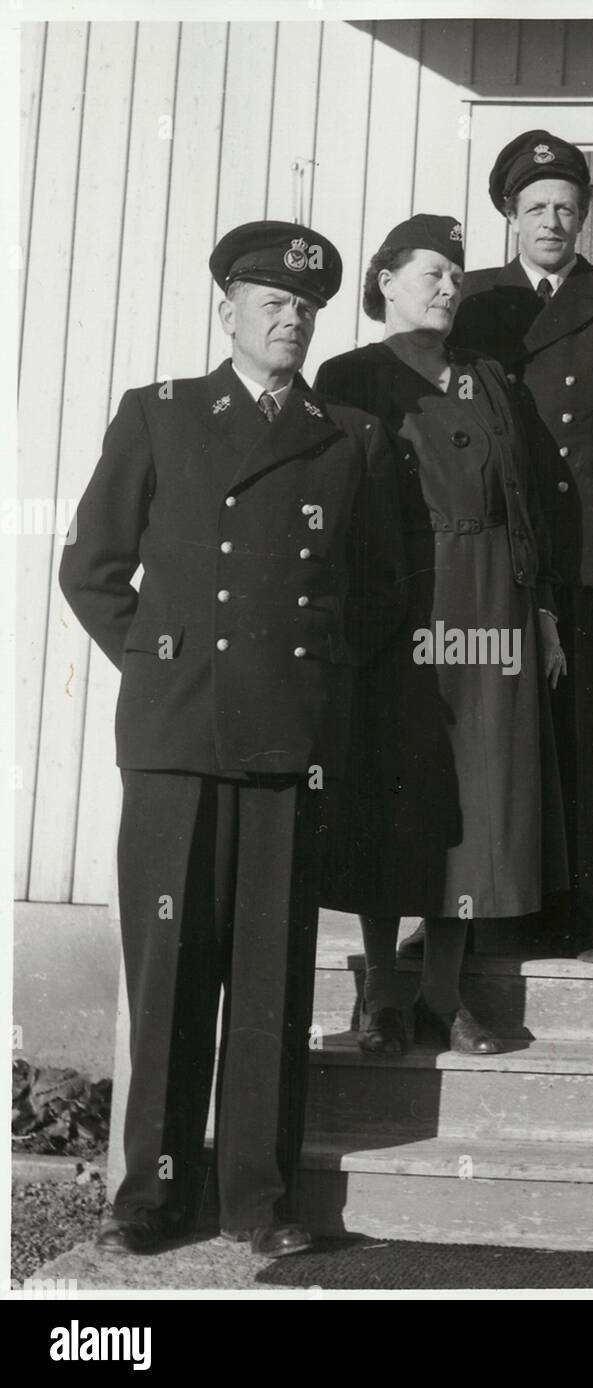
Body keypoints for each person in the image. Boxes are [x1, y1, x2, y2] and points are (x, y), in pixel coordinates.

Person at [59, 221, 406, 1257]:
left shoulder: (345, 435)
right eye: (269, 301)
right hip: (172, 740)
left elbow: (376, 595)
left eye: (304, 305)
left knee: (270, 976)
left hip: (282, 745)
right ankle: (154, 1198)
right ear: (228, 309)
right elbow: (92, 567)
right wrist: (169, 664)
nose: (289, 317)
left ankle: (260, 1200)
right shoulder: (160, 414)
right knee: (168, 967)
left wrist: (305, 689)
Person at [316, 213, 568, 1056]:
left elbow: (523, 501)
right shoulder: (349, 374)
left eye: (456, 275)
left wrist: (539, 613)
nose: (448, 288)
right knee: (397, 791)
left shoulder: (489, 377)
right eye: (430, 273)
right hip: (403, 608)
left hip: (494, 604)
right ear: (385, 282)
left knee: (482, 796)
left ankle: (442, 992)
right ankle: (379, 994)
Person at [446, 130, 593, 960]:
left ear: (587, 221)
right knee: (489, 731)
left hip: (585, 542)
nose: (552, 221)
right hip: (487, 548)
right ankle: (476, 916)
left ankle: (575, 909)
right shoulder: (467, 299)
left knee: (576, 733)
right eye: (536, 208)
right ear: (510, 215)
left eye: (567, 210)